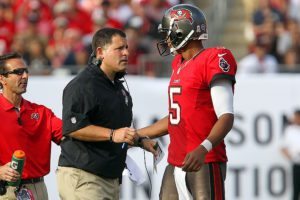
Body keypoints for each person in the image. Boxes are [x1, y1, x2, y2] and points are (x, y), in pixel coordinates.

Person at [137, 4, 237, 199]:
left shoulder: (213, 58)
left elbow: (226, 116)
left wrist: (203, 148)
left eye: (168, 32)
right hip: (176, 160)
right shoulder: (178, 63)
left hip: (204, 159)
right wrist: (138, 134)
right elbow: (178, 117)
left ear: (181, 31)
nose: (166, 39)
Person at [56, 27, 156, 200]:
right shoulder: (83, 85)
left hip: (109, 178)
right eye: (119, 48)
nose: (126, 52)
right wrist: (112, 134)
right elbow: (72, 127)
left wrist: (139, 141)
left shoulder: (117, 86)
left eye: (127, 47)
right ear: (100, 52)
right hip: (84, 176)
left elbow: (115, 129)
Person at [0, 52, 62, 200]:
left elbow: (72, 134)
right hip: (7, 190)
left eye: (26, 71)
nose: (25, 76)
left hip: (39, 189)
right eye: (18, 72)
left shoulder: (41, 112)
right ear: (2, 78)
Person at [281, 109, 300, 200]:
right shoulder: (290, 130)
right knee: (296, 189)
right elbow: (283, 148)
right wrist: (291, 157)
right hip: (297, 164)